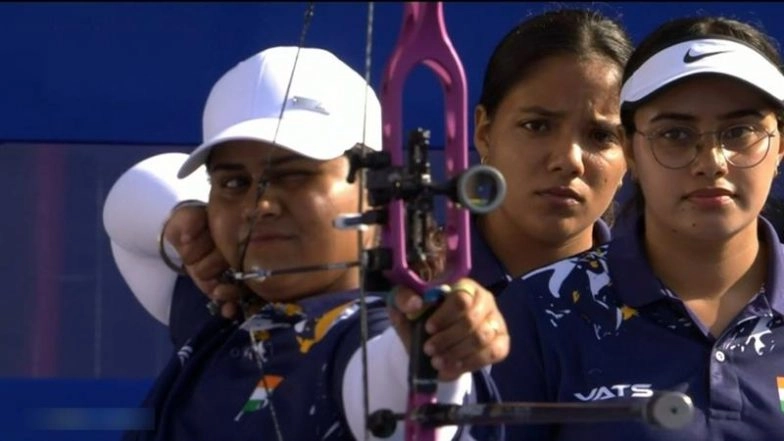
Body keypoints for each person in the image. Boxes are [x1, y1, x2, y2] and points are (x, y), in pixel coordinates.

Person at [110, 46, 509, 441]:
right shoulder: (219, 307)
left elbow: (395, 401)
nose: (259, 204)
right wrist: (183, 225)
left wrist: (436, 349)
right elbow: (126, 207)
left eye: (294, 176)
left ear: (377, 190)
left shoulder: (371, 334)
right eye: (234, 183)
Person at [493, 15, 784, 441]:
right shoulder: (539, 309)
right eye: (675, 134)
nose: (711, 162)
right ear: (630, 149)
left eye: (740, 131)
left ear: (780, 145)